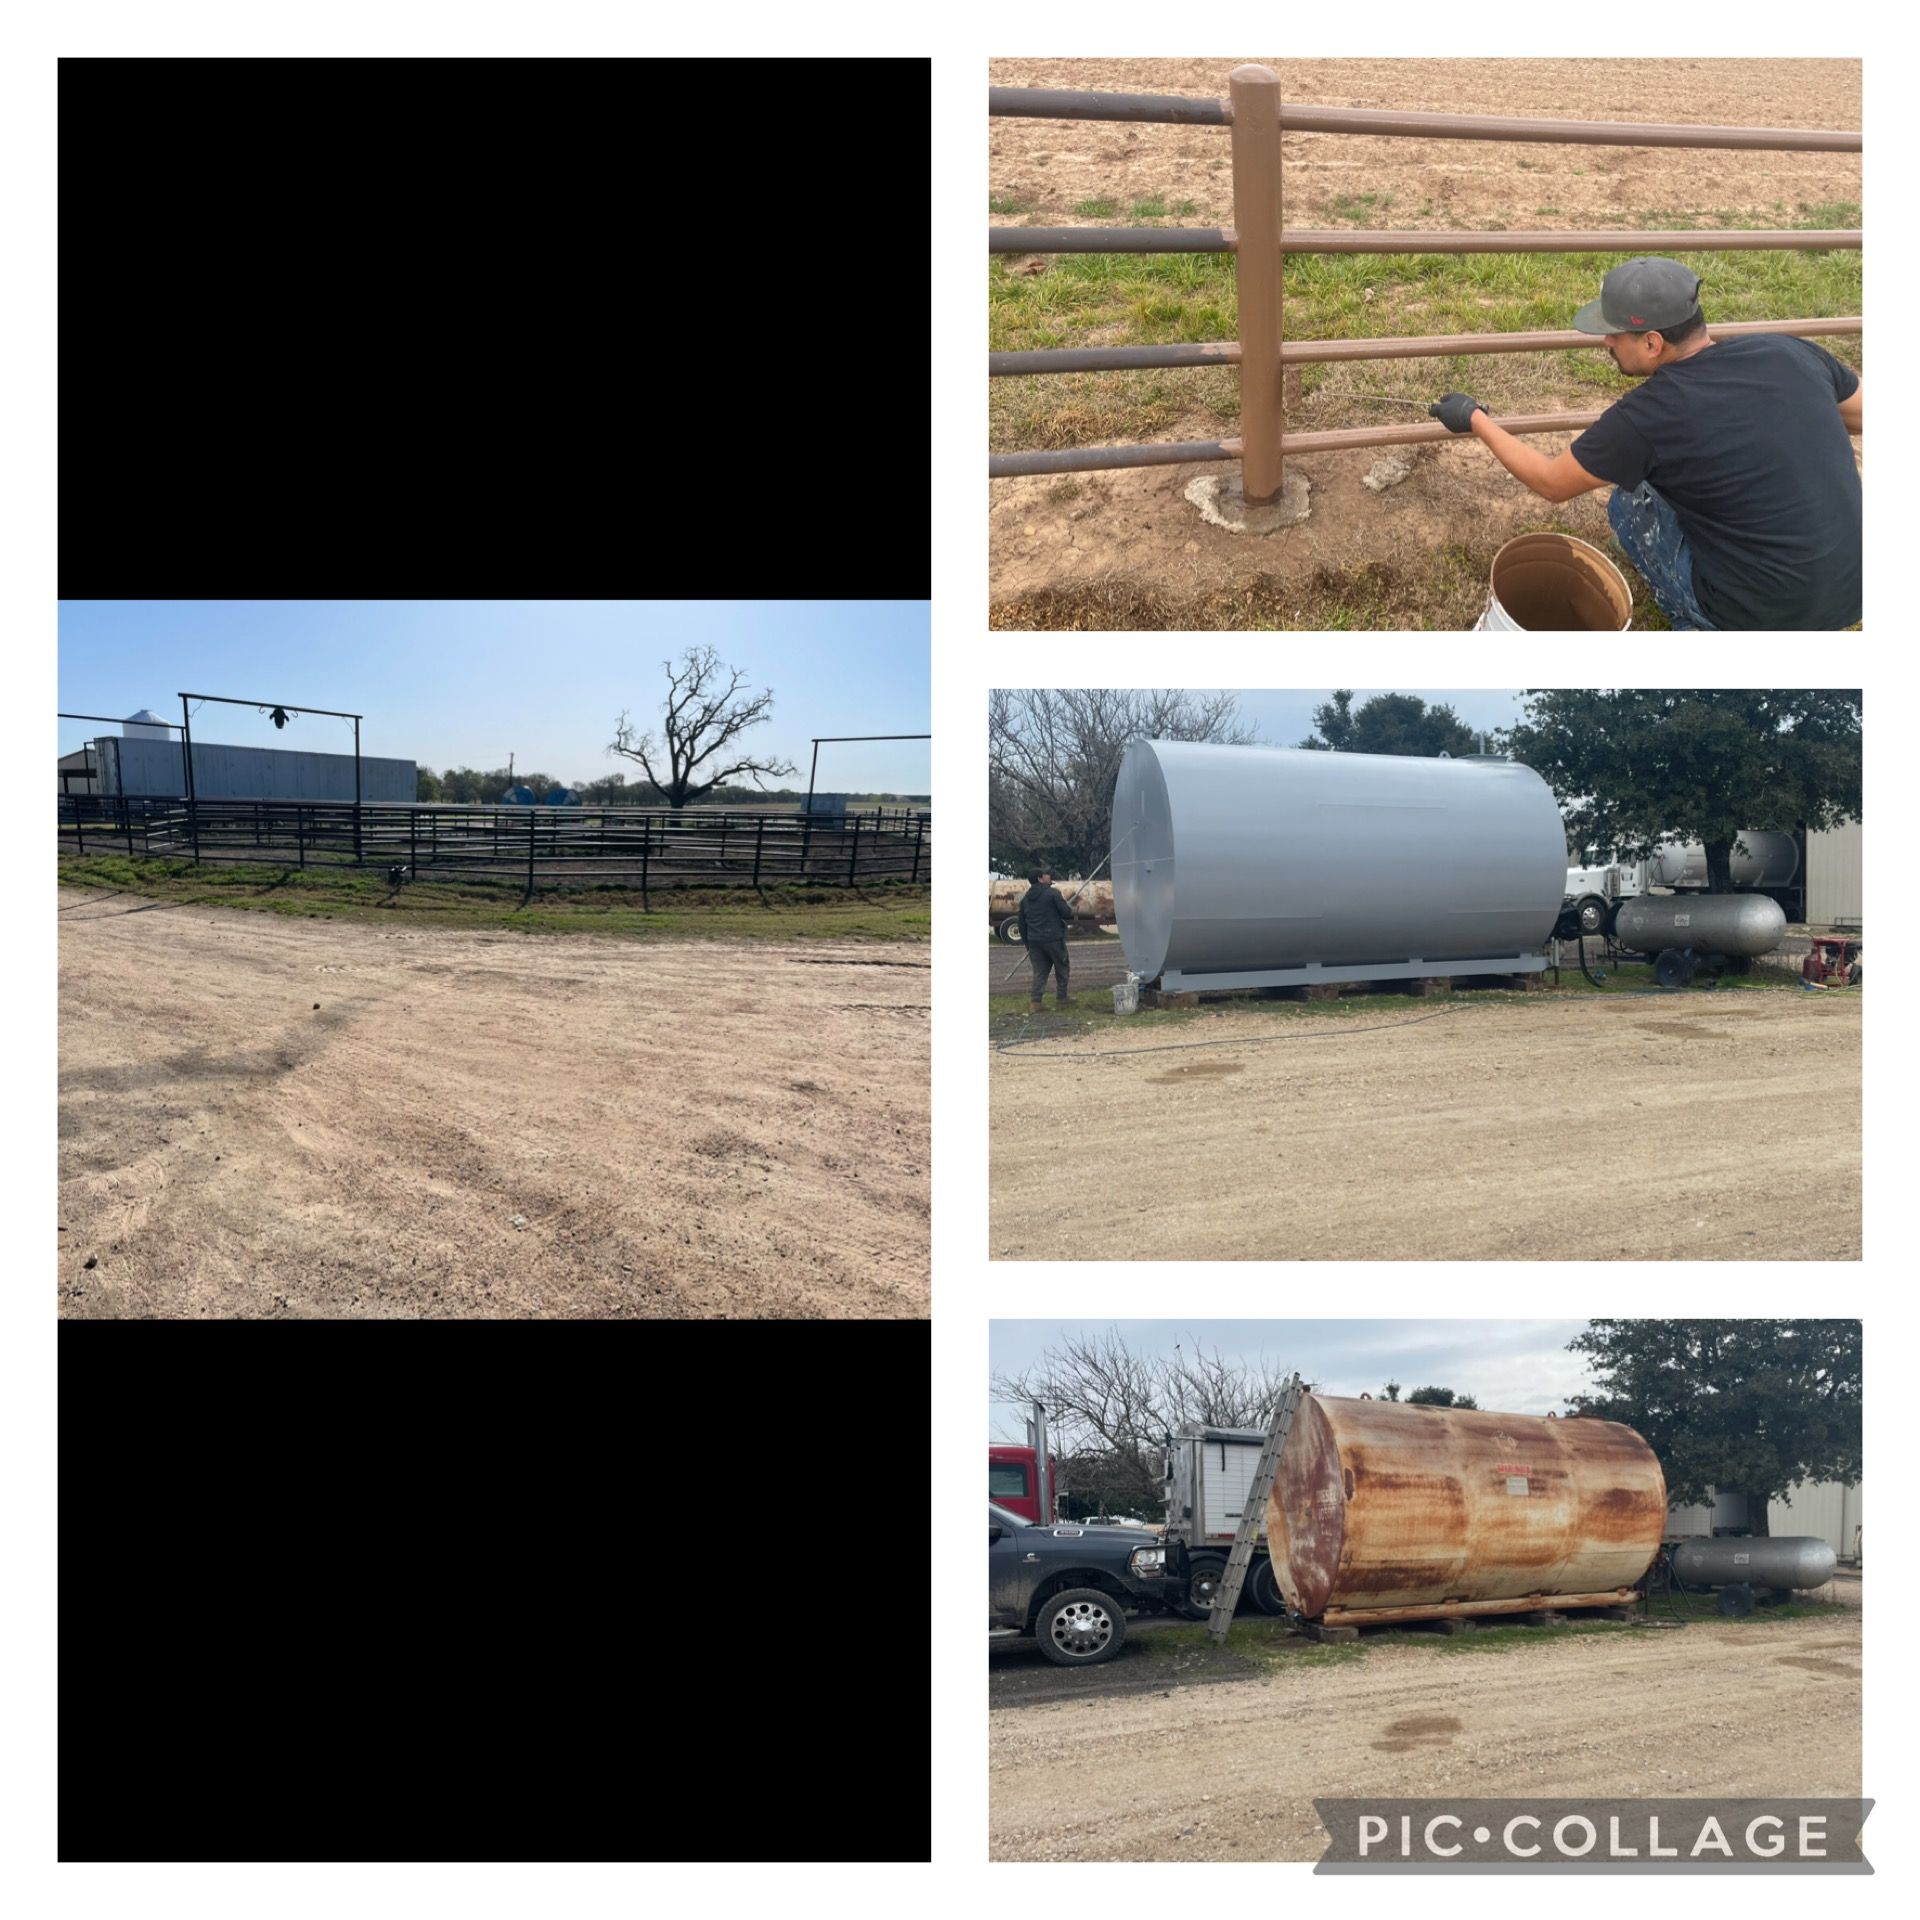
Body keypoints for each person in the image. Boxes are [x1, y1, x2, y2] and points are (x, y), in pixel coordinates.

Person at [1428, 256, 1862, 629]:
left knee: (1629, 502)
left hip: (1755, 617)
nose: (1606, 342)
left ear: (1652, 342)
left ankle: (1697, 623)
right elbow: (1862, 413)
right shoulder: (1789, 352)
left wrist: (1474, 418)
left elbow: (1551, 482)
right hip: (1856, 591)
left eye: (1615, 333)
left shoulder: (1649, 416)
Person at [1018, 870, 1073, 1007]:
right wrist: (1066, 905)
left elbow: (1021, 923)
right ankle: (1062, 998)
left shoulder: (1025, 899)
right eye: (1046, 874)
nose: (1049, 876)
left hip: (1034, 940)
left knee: (1040, 971)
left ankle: (1036, 1002)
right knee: (1062, 967)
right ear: (1040, 879)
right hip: (1053, 938)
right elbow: (1066, 914)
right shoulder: (1052, 893)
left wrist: (1028, 943)